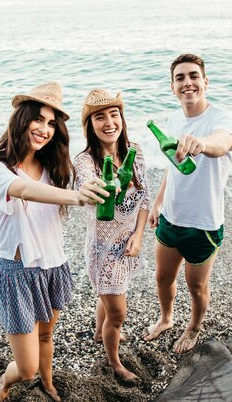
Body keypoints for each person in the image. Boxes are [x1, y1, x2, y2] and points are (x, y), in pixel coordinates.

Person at [0, 82, 109, 402]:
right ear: (22, 119)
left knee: (47, 335)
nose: (45, 129)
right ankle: (5, 385)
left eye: (51, 124)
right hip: (18, 272)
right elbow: (23, 189)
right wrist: (77, 197)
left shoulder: (52, 165)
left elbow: (89, 167)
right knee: (25, 368)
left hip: (53, 266)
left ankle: (48, 385)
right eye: (39, 119)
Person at [142, 54, 232, 354]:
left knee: (196, 287)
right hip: (171, 217)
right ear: (172, 87)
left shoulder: (222, 119)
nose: (188, 83)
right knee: (162, 278)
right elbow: (173, 167)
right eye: (181, 78)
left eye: (194, 76)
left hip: (204, 224)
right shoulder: (173, 120)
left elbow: (222, 142)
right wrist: (158, 203)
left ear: (205, 81)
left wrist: (203, 144)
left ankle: (194, 327)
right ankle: (166, 318)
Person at [74, 89, 150, 381]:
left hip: (129, 244)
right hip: (103, 250)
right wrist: (100, 189)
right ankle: (115, 364)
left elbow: (144, 198)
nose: (109, 122)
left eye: (114, 114)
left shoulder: (135, 151)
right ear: (90, 125)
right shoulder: (86, 160)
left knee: (109, 300)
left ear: (122, 117)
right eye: (99, 117)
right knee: (117, 313)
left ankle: (98, 332)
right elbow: (86, 184)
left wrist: (139, 236)